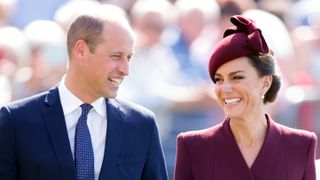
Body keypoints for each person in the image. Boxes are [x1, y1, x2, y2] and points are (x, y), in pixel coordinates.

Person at [0, 9, 168, 180]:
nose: (125, 70)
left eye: (129, 58)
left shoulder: (141, 124)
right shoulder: (16, 120)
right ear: (81, 50)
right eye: (116, 56)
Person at [174, 15, 317, 180]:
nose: (225, 89)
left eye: (237, 77)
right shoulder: (193, 146)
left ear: (265, 83)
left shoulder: (300, 145)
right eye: (218, 79)